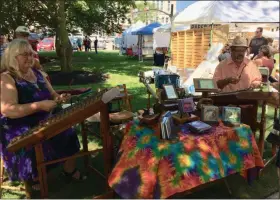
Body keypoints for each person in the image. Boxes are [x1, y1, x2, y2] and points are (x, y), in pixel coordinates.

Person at [0, 39, 86, 191]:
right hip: (18, 123)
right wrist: (39, 106)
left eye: (31, 54)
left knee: (67, 129)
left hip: (44, 119)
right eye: (24, 54)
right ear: (13, 57)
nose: (29, 58)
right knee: (33, 139)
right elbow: (8, 110)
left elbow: (52, 95)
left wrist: (59, 98)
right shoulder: (7, 78)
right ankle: (34, 176)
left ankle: (69, 171)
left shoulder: (38, 74)